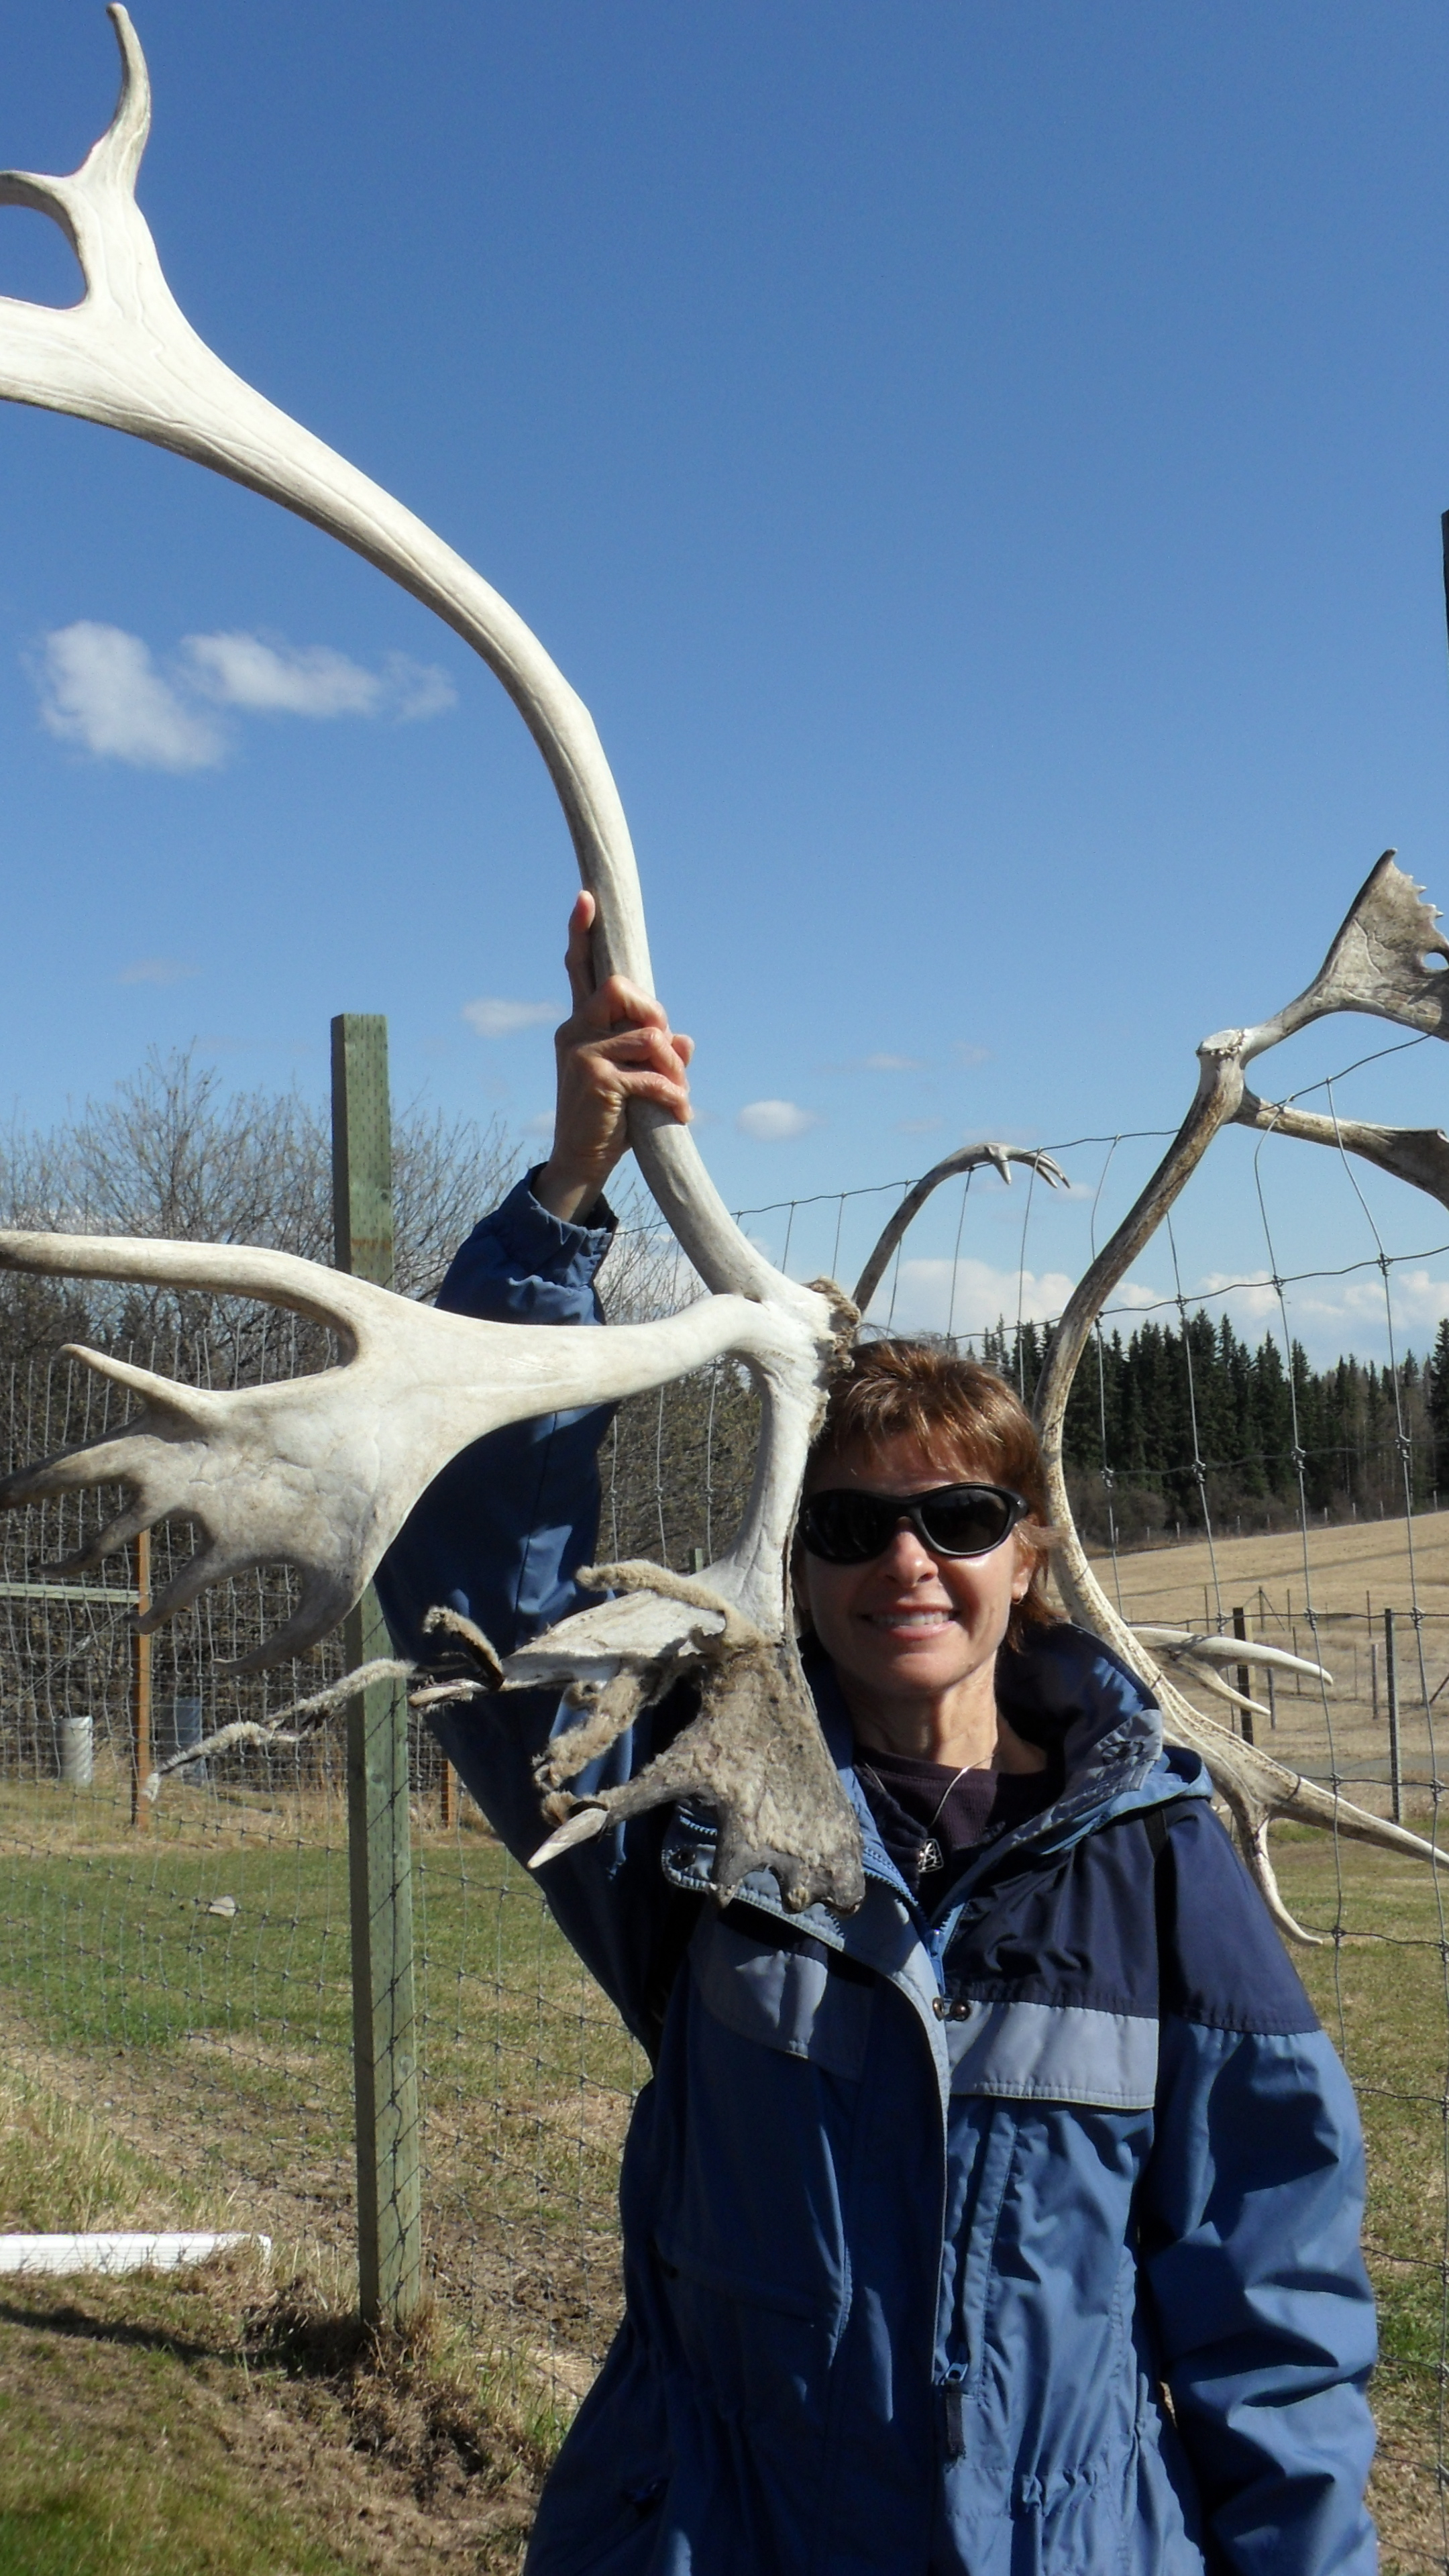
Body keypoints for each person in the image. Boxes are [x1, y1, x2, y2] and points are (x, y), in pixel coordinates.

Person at [377, 893, 1377, 2576]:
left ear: (1031, 1554)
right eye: (848, 1527)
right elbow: (478, 1586)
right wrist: (566, 1198)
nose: (907, 1563)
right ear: (795, 1560)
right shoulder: (693, 1815)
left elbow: (1270, 2312)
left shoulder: (1158, 1864)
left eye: (960, 1517)